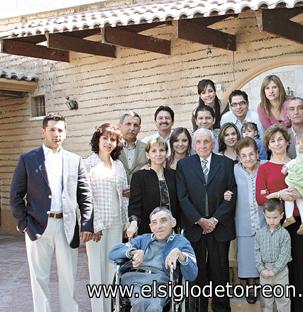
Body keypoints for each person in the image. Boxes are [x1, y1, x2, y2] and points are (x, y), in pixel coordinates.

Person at [10, 112, 93, 312]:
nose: (57, 134)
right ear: (44, 132)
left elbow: (85, 195)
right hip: (37, 226)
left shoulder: (75, 160)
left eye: (61, 130)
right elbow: (15, 195)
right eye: (53, 130)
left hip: (67, 226)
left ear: (65, 133)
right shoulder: (27, 159)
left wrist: (87, 223)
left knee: (68, 278)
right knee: (39, 279)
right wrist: (24, 224)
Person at [176, 128, 237, 312]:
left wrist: (215, 219)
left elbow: (232, 193)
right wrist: (200, 220)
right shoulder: (184, 165)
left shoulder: (226, 163)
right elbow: (182, 197)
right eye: (199, 142)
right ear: (194, 145)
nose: (203, 145)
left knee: (220, 273)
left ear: (213, 143)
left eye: (206, 141)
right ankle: (198, 308)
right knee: (197, 274)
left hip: (219, 228)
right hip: (195, 228)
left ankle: (221, 308)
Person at [255, 124, 303, 311]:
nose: (277, 143)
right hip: (277, 224)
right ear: (268, 145)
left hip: (299, 222)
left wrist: (301, 194)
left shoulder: (301, 161)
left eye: (280, 139)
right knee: (280, 271)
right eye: (272, 140)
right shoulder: (264, 168)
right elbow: (260, 197)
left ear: (288, 142)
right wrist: (280, 194)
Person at [109, 207, 198, 312]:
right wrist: (134, 252)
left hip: (161, 282)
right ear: (151, 227)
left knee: (154, 307)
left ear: (173, 222)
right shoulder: (143, 239)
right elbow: (113, 252)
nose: (158, 226)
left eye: (163, 220)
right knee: (142, 301)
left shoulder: (181, 242)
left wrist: (180, 254)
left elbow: (192, 275)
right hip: (135, 279)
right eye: (154, 223)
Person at [83, 123, 129, 312]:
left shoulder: (118, 166)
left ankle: (113, 308)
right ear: (98, 140)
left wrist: (126, 223)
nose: (109, 142)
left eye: (113, 139)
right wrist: (92, 224)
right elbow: (84, 198)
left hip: (117, 223)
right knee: (97, 270)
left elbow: (124, 196)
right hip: (97, 226)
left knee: (113, 269)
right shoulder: (87, 164)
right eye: (105, 138)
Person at [226, 137, 266, 304]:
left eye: (251, 154)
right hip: (243, 220)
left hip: (265, 219)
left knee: (265, 254)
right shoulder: (234, 170)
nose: (248, 158)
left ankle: (266, 285)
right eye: (244, 155)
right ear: (239, 157)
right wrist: (226, 194)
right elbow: (225, 186)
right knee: (247, 255)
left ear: (257, 153)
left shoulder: (265, 166)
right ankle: (251, 286)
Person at [127, 138, 179, 237]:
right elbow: (134, 205)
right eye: (154, 151)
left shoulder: (174, 175)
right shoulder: (139, 176)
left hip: (172, 230)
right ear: (148, 155)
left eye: (162, 150)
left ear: (166, 153)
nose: (158, 154)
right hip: (148, 231)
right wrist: (133, 223)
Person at [273, 132, 303, 235]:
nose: (300, 145)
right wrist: (286, 167)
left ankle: (290, 217)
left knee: (291, 197)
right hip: (297, 181)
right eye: (297, 143)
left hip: (301, 182)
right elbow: (294, 161)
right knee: (299, 202)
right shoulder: (301, 155)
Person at [255, 198, 292, 312]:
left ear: (282, 215)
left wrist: (274, 270)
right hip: (265, 271)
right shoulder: (260, 234)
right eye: (268, 217)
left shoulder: (284, 234)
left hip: (280, 271)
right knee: (266, 301)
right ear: (264, 215)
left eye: (275, 217)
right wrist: (261, 269)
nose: (272, 221)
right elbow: (256, 252)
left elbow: (285, 254)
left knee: (283, 299)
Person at [118, 111, 148, 185]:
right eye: (128, 124)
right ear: (120, 125)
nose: (132, 128)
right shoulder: (112, 148)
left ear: (139, 128)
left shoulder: (147, 148)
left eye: (135, 125)